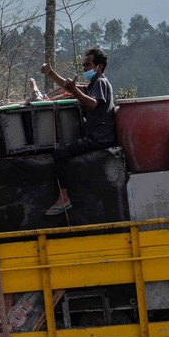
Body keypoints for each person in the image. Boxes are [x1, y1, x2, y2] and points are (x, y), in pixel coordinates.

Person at [42, 48, 117, 215]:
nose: (84, 68)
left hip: (100, 138)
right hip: (95, 136)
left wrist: (74, 90)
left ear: (98, 67)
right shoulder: (93, 84)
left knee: (60, 154)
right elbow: (67, 86)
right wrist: (51, 73)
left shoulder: (101, 83)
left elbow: (93, 104)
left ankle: (64, 198)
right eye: (83, 65)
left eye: (88, 64)